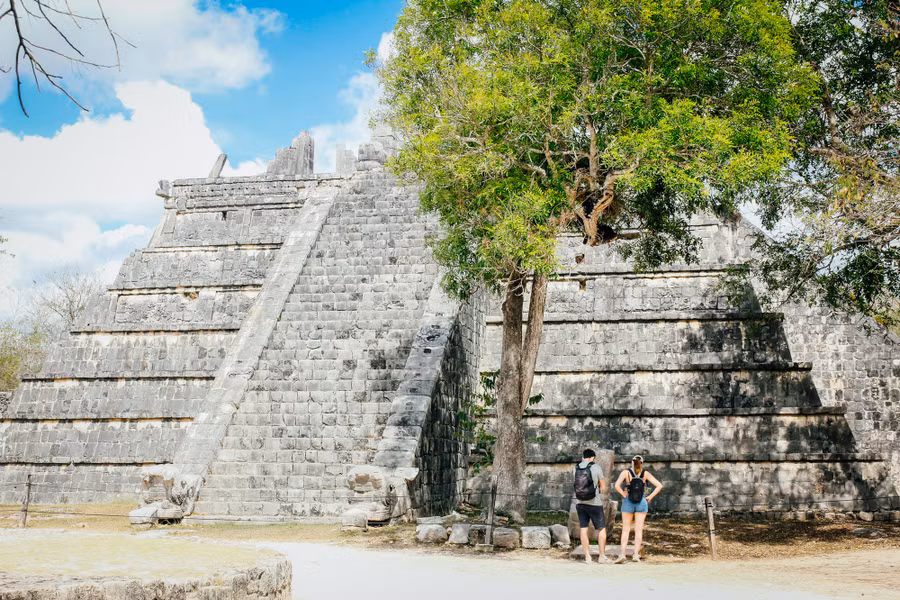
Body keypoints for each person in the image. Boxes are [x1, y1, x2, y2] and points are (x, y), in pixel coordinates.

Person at [613, 455, 663, 563]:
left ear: (632, 462)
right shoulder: (645, 473)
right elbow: (659, 485)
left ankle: (622, 554)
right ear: (642, 463)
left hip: (628, 502)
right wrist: (650, 497)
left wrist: (624, 494)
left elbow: (616, 485)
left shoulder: (625, 473)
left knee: (625, 529)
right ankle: (635, 555)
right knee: (638, 530)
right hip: (641, 502)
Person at [573, 448, 611, 564]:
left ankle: (587, 557)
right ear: (593, 457)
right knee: (601, 528)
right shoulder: (596, 467)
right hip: (594, 503)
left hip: (580, 503)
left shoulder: (576, 468)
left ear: (583, 457)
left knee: (583, 528)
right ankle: (602, 556)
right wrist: (599, 489)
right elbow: (603, 486)